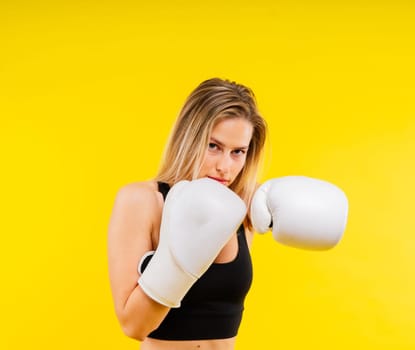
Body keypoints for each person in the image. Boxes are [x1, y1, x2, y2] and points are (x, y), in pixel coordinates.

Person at [107, 78, 349, 350]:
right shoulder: (143, 201)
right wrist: (177, 260)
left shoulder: (245, 207)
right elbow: (133, 326)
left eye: (238, 152)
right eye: (213, 146)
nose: (224, 166)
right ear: (189, 139)